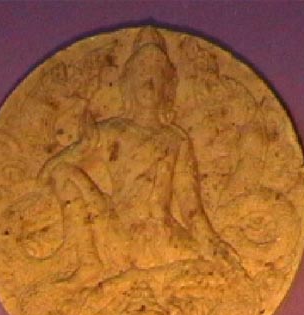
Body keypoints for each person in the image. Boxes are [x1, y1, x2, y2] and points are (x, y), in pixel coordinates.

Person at [38, 27, 240, 287]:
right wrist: (82, 147)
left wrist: (214, 244)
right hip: (116, 229)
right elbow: (46, 177)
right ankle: (89, 262)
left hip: (162, 235)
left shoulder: (176, 140)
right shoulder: (110, 131)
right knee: (64, 172)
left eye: (157, 75)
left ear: (168, 87)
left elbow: (192, 210)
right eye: (142, 73)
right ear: (128, 81)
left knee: (212, 273)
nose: (149, 82)